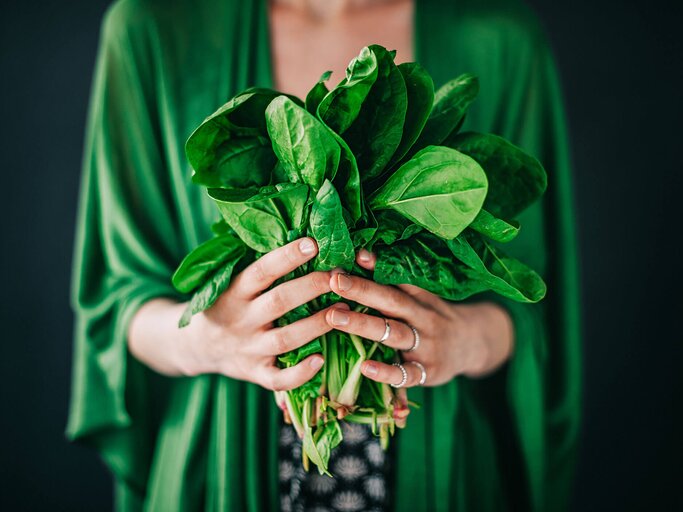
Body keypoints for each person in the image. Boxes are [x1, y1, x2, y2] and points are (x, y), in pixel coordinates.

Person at [67, 0, 581, 510]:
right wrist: (208, 341)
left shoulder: (500, 37)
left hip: (441, 467)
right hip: (221, 468)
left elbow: (532, 301)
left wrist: (464, 340)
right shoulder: (150, 28)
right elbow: (117, 300)